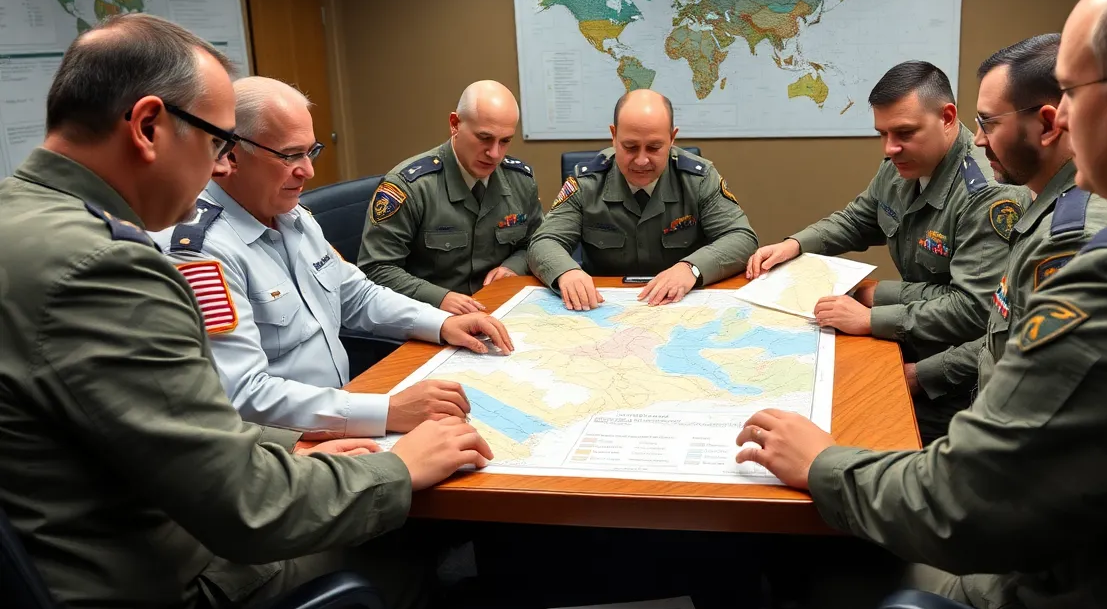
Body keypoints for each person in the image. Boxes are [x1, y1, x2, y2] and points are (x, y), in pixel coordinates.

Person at [735, 0, 1107, 609]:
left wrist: (822, 462)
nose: (1055, 118)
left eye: (1067, 92)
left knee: (836, 571)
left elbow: (965, 504)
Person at [0, 14, 493, 609]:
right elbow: (246, 508)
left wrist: (294, 448)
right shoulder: (102, 269)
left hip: (110, 566)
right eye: (216, 142)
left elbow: (165, 429)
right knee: (404, 550)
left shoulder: (24, 224)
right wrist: (394, 468)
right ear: (147, 126)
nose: (219, 165)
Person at [152, 76, 513, 440]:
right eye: (290, 155)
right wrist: (388, 411)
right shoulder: (200, 252)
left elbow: (356, 295)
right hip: (288, 443)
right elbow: (243, 394)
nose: (308, 171)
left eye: (311, 152)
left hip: (344, 408)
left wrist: (440, 323)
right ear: (230, 154)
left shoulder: (292, 216)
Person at [746, 61, 1029, 441]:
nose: (890, 148)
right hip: (909, 341)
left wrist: (871, 315)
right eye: (882, 133)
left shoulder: (987, 194)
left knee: (854, 436)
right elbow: (858, 219)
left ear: (947, 117)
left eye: (904, 133)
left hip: (957, 379)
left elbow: (973, 309)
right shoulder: (902, 162)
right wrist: (794, 244)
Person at [914, 35, 1107, 400]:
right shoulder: (1049, 202)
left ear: (1047, 125)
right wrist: (925, 373)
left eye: (989, 123)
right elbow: (1008, 338)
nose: (978, 140)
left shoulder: (1068, 239)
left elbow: (1040, 401)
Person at [527, 88, 758, 310]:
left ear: (672, 138)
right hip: (603, 307)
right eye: (630, 147)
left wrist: (692, 268)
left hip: (680, 305)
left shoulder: (698, 178)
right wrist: (567, 272)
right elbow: (544, 241)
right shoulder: (588, 181)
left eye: (654, 147)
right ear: (614, 135)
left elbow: (741, 237)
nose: (641, 160)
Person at [357, 80, 542, 314]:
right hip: (431, 318)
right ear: (455, 124)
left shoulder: (520, 180)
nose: (495, 153)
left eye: (505, 141)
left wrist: (512, 267)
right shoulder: (410, 187)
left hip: (501, 309)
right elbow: (376, 268)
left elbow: (536, 242)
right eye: (484, 138)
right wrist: (440, 298)